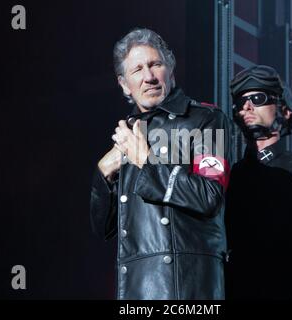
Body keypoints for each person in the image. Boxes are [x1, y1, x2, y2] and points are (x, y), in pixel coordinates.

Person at [90, 28, 231, 300]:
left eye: (156, 64)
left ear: (171, 69)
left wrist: (146, 160)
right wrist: (102, 174)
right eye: (137, 70)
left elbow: (209, 196)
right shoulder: (129, 134)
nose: (149, 77)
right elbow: (104, 229)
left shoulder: (206, 119)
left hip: (187, 288)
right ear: (123, 84)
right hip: (135, 289)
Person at [225, 65, 292, 299]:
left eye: (258, 97)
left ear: (284, 111)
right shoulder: (230, 176)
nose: (247, 106)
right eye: (241, 101)